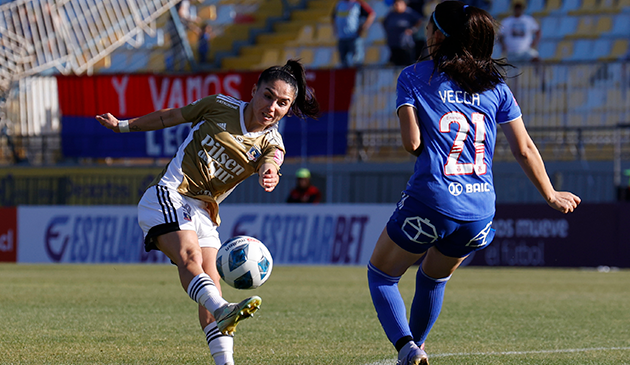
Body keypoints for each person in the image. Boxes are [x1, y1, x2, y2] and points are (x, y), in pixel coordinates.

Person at [366, 2, 581, 365]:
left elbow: (412, 143)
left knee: (382, 276)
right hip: (479, 210)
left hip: (432, 197)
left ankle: (406, 348)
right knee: (433, 280)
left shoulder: (414, 76)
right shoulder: (496, 86)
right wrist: (550, 194)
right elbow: (524, 147)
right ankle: (415, 349)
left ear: (436, 35)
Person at [95, 60, 320, 365]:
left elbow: (273, 161)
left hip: (204, 213)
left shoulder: (272, 142)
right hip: (169, 194)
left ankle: (224, 360)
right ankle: (223, 308)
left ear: (289, 108)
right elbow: (171, 116)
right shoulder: (219, 105)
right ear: (254, 91)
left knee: (211, 281)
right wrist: (123, 125)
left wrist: (270, 173)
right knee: (191, 258)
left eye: (282, 103)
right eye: (268, 96)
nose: (272, 107)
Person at [332, 0, 376, 68]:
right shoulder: (339, 3)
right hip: (341, 38)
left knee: (357, 62)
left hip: (354, 37)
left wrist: (363, 27)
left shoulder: (358, 3)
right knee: (343, 63)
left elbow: (371, 14)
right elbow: (333, 17)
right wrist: (335, 29)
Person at [382, 0, 424, 66]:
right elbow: (384, 23)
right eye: (395, 4)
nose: (397, 6)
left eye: (399, 4)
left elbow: (419, 20)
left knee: (406, 64)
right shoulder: (391, 14)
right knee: (396, 63)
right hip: (393, 43)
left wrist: (412, 29)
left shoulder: (409, 13)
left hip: (405, 44)